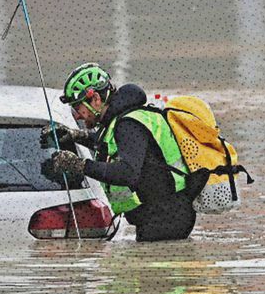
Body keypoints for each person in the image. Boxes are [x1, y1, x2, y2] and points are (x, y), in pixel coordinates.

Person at [40, 63, 198, 242]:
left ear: (96, 99)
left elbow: (127, 173)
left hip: (166, 219)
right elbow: (113, 147)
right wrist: (76, 136)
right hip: (166, 214)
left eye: (78, 108)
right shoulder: (125, 119)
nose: (77, 116)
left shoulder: (128, 124)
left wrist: (80, 165)